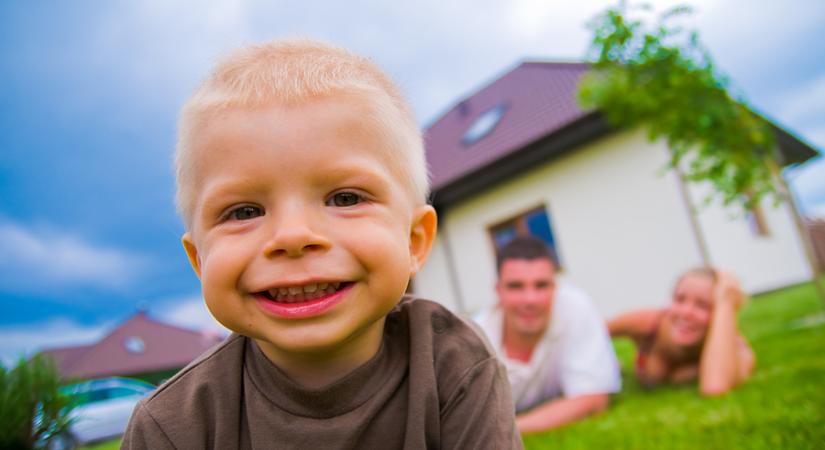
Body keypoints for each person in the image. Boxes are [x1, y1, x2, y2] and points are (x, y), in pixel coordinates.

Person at [122, 39, 522, 449]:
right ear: (200, 260)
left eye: (345, 199)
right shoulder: (169, 430)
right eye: (244, 212)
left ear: (413, 240)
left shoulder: (453, 363)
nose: (293, 237)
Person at [476, 236, 620, 434]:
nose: (530, 299)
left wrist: (509, 429)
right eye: (516, 286)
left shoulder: (575, 307)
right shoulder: (474, 340)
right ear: (498, 291)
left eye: (541, 285)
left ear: (555, 287)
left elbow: (593, 399)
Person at [608, 268, 755, 396]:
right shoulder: (650, 323)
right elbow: (591, 331)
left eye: (702, 305)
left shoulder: (736, 351)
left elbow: (715, 388)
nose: (686, 312)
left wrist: (727, 301)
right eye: (680, 299)